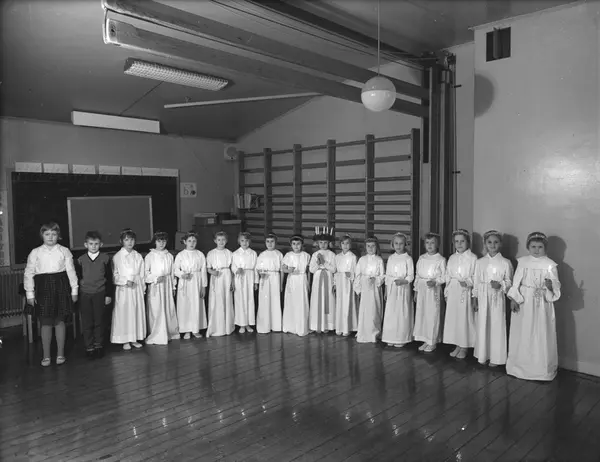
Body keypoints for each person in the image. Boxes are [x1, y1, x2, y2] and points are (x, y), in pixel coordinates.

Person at [507, 231, 561, 381]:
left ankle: (541, 369)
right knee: (523, 332)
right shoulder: (523, 262)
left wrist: (550, 287)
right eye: (533, 246)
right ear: (528, 247)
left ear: (545, 248)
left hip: (542, 303)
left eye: (540, 247)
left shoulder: (550, 265)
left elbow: (555, 285)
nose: (536, 250)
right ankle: (519, 367)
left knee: (540, 332)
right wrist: (513, 299)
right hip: (525, 301)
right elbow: (516, 282)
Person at [24, 222, 78, 366]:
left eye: (54, 234)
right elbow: (29, 274)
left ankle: (60, 354)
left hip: (61, 286)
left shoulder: (64, 251)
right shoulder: (35, 252)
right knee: (46, 321)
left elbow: (71, 272)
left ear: (58, 236)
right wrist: (30, 294)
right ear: (42, 235)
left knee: (60, 321)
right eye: (47, 234)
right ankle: (46, 355)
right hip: (43, 288)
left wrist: (74, 290)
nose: (50, 237)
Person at [473, 230, 513, 367]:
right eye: (489, 242)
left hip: (497, 297)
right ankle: (483, 354)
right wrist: (475, 298)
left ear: (500, 244)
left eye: (496, 242)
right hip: (483, 296)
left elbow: (509, 282)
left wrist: (501, 285)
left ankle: (496, 357)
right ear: (485, 244)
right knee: (483, 324)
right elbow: (476, 281)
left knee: (496, 324)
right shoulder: (480, 262)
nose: (492, 245)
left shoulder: (505, 262)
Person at [76, 230, 113, 359]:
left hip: (100, 293)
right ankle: (89, 346)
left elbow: (109, 278)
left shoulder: (105, 258)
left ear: (101, 244)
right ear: (86, 244)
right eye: (91, 244)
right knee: (87, 321)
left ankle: (98, 345)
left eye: (96, 244)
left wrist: (108, 295)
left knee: (99, 320)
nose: (93, 246)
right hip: (85, 294)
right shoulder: (80, 260)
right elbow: (78, 278)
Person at [443, 229, 478, 359]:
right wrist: (446, 291)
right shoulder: (452, 258)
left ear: (468, 242)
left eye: (462, 241)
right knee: (455, 318)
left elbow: (476, 276)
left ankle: (464, 345)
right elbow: (448, 275)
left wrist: (468, 282)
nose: (459, 244)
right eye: (456, 241)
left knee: (464, 318)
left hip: (465, 291)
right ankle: (457, 343)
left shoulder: (473, 258)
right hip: (453, 290)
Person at [111, 228, 146, 350]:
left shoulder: (138, 256)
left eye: (132, 240)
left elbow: (142, 274)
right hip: (124, 289)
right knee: (125, 313)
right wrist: (125, 281)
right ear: (122, 241)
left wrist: (142, 288)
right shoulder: (118, 256)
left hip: (136, 287)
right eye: (126, 240)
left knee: (135, 312)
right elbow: (115, 275)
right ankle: (125, 339)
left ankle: (134, 338)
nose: (129, 242)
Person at [413, 232, 446, 353]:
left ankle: (432, 340)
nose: (430, 245)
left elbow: (445, 276)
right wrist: (416, 290)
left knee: (432, 313)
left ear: (437, 244)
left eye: (432, 243)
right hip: (422, 288)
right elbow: (417, 275)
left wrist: (436, 282)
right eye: (427, 243)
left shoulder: (441, 259)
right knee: (422, 313)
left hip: (433, 290)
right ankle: (424, 338)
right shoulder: (422, 258)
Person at [144, 231, 179, 345]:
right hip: (156, 285)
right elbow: (145, 273)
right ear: (155, 242)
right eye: (159, 241)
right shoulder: (150, 256)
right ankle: (157, 334)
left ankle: (169, 332)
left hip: (167, 284)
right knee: (156, 309)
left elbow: (172, 273)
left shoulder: (169, 255)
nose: (161, 243)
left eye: (163, 241)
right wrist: (154, 278)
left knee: (168, 308)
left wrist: (173, 287)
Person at [382, 233, 415, 347]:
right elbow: (387, 275)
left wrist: (404, 281)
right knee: (391, 313)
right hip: (392, 289)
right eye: (396, 243)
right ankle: (390, 336)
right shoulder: (391, 258)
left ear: (405, 244)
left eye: (401, 243)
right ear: (392, 244)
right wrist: (386, 290)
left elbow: (411, 275)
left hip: (403, 288)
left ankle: (401, 338)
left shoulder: (408, 258)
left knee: (401, 312)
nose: (398, 246)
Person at [174, 231, 207, 339]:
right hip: (185, 281)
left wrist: (203, 286)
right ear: (184, 242)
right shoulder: (180, 255)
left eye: (194, 241)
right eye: (189, 241)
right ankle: (186, 329)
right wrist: (182, 275)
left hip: (197, 281)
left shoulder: (200, 254)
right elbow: (175, 269)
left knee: (196, 305)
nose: (192, 243)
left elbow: (203, 271)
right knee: (185, 306)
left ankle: (195, 329)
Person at [354, 236, 385, 343]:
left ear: (377, 247)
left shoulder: (379, 260)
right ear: (365, 247)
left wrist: (376, 279)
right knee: (364, 310)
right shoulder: (362, 260)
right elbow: (357, 274)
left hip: (375, 289)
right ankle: (363, 331)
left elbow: (382, 275)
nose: (370, 248)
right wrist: (358, 289)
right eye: (368, 246)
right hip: (365, 287)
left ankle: (374, 332)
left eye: (373, 246)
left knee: (374, 310)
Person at [206, 231, 234, 337]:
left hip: (227, 276)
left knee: (227, 299)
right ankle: (217, 327)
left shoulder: (230, 253)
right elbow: (208, 268)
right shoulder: (211, 253)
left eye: (223, 240)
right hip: (217, 276)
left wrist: (232, 282)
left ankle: (227, 327)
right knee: (217, 300)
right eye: (219, 240)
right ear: (215, 241)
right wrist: (212, 272)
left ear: (226, 241)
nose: (221, 242)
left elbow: (232, 268)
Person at [282, 235, 311, 336]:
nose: (296, 246)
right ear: (291, 245)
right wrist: (289, 270)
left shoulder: (306, 255)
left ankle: (301, 326)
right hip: (292, 279)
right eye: (294, 244)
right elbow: (283, 269)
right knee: (292, 301)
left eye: (298, 244)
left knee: (301, 301)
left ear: (302, 244)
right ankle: (291, 326)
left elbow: (308, 271)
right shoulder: (288, 255)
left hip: (302, 279)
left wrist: (308, 283)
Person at [309, 227, 336, 333]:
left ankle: (327, 325)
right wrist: (318, 263)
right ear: (317, 243)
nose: (323, 245)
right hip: (318, 278)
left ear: (328, 243)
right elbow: (311, 270)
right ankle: (317, 325)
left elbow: (334, 269)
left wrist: (324, 263)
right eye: (321, 242)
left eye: (325, 242)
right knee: (317, 299)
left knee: (328, 299)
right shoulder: (315, 254)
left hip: (328, 277)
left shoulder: (332, 254)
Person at [255, 233, 284, 334]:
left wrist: (281, 284)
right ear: (265, 243)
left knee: (275, 301)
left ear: (276, 242)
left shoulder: (279, 254)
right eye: (267, 241)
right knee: (264, 301)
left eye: (272, 241)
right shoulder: (262, 254)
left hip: (275, 277)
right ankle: (264, 326)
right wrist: (260, 274)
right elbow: (257, 268)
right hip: (265, 278)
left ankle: (276, 325)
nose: (270, 243)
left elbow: (282, 271)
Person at [232, 232, 257, 334]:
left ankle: (248, 323)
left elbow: (255, 268)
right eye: (242, 240)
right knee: (240, 300)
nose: (244, 243)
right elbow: (232, 266)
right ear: (239, 241)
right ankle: (241, 324)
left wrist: (256, 282)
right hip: (239, 277)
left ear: (249, 241)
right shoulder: (235, 253)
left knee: (249, 300)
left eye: (246, 240)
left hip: (250, 276)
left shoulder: (253, 253)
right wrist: (236, 270)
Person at [334, 234, 358, 336]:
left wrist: (351, 275)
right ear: (340, 245)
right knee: (340, 303)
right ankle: (339, 326)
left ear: (350, 245)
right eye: (343, 243)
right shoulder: (337, 257)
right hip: (340, 281)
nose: (345, 245)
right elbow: (335, 271)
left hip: (348, 282)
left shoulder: (353, 257)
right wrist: (334, 283)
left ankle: (347, 327)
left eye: (347, 243)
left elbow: (356, 271)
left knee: (347, 302)